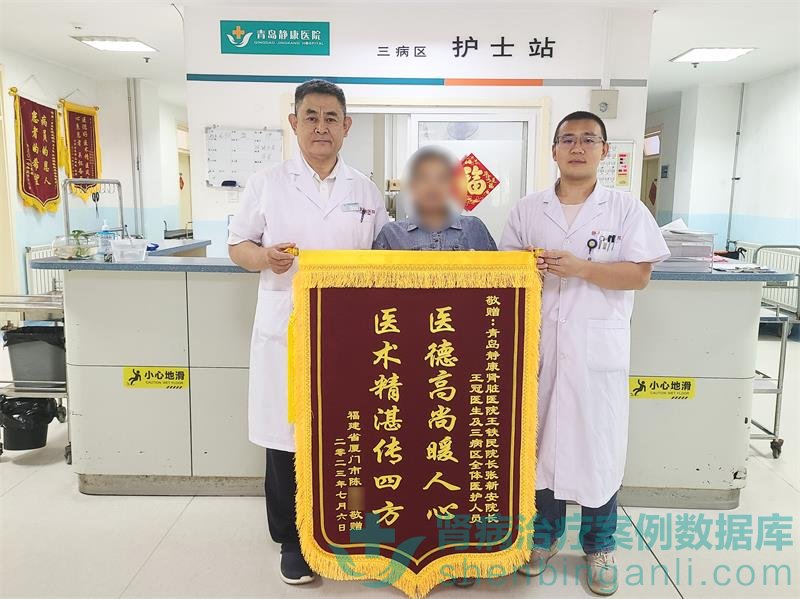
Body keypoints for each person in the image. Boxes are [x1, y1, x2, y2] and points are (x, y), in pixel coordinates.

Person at [500, 111, 669, 595]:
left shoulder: (625, 209)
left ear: (604, 151)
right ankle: (543, 538)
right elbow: (506, 271)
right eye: (568, 139)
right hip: (540, 349)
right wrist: (528, 267)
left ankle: (600, 545)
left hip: (596, 353)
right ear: (553, 150)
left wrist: (582, 268)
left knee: (599, 449)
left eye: (588, 140)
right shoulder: (527, 210)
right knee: (540, 446)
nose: (577, 148)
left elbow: (639, 275)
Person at [227, 79, 388, 585]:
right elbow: (238, 246)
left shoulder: (365, 189)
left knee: (350, 431)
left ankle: (348, 527)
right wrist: (265, 258)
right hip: (288, 325)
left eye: (331, 117)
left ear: (347, 126)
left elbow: (384, 256)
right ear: (294, 123)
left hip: (352, 331)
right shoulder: (267, 182)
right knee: (287, 434)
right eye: (311, 117)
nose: (321, 127)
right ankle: (292, 540)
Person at [372, 146, 496, 251]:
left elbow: (497, 270)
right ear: (412, 186)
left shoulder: (474, 228)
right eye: (423, 179)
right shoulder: (391, 233)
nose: (433, 187)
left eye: (442, 179)